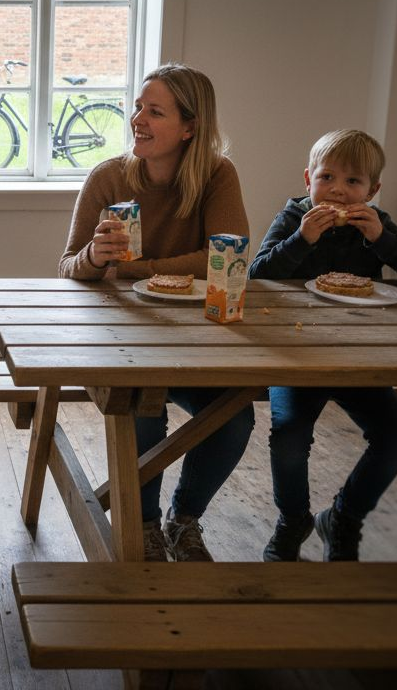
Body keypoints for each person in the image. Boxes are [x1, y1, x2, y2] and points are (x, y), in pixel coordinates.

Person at [59, 63, 254, 562]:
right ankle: (142, 525)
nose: (137, 119)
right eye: (139, 106)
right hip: (120, 340)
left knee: (236, 418)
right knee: (142, 413)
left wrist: (136, 268)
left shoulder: (217, 175)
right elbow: (68, 266)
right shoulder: (108, 177)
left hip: (195, 343)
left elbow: (227, 256)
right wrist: (94, 257)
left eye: (155, 111)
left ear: (190, 127)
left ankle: (183, 520)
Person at [249, 129, 397, 561]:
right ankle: (292, 520)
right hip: (296, 352)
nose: (337, 190)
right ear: (307, 180)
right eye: (327, 177)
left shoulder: (376, 224)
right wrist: (301, 240)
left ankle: (344, 518)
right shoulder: (295, 218)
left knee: (396, 440)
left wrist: (383, 241)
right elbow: (256, 278)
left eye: (353, 182)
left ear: (373, 190)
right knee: (289, 437)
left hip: (358, 353)